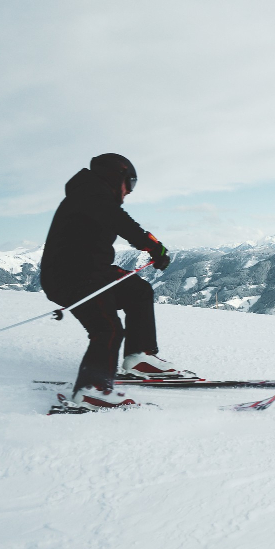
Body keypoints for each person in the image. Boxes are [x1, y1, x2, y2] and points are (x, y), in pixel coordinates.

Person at [40, 154, 188, 410]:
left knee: (138, 290)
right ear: (115, 176)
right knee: (107, 328)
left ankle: (140, 357)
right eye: (130, 183)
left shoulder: (93, 195)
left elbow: (113, 220)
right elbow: (119, 221)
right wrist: (152, 245)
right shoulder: (90, 194)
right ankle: (92, 391)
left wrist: (151, 246)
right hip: (71, 277)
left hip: (90, 271)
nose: (129, 191)